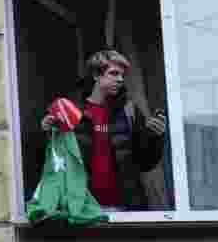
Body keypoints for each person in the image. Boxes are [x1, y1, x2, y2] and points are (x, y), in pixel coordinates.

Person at [41, 49, 168, 210]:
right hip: (82, 209)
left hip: (124, 208)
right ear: (96, 75)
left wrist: (155, 137)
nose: (120, 79)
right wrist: (46, 133)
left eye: (122, 75)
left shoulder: (129, 111)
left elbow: (146, 163)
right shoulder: (71, 110)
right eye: (114, 73)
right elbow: (54, 161)